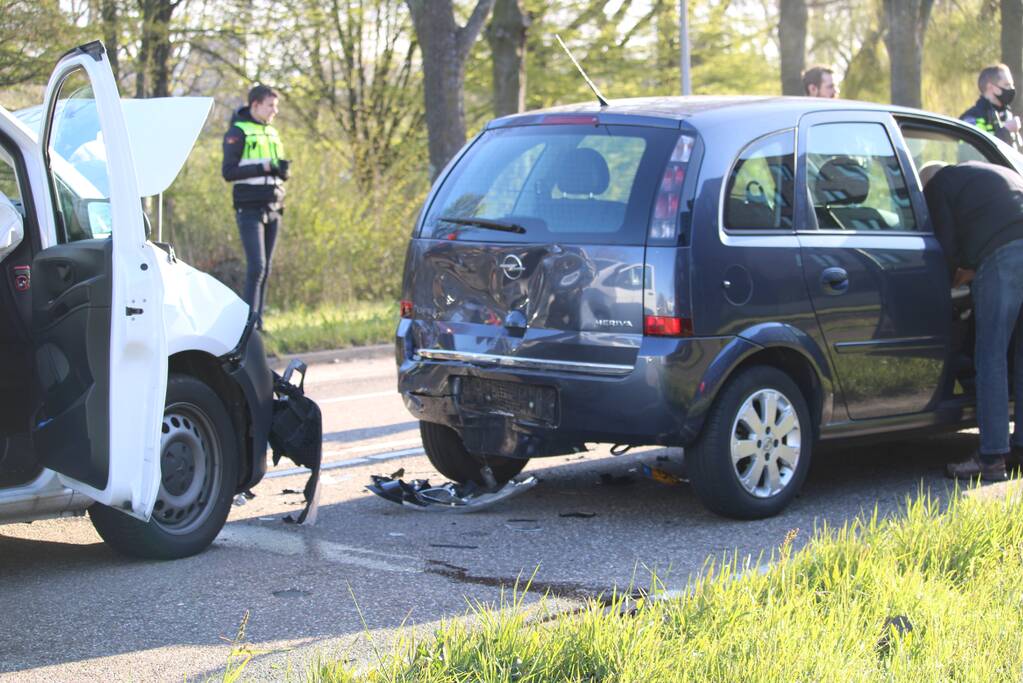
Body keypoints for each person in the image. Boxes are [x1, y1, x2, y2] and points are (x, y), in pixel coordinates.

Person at [919, 160, 1023, 481]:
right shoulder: (980, 173)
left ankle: (991, 458)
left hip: (1003, 255)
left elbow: (946, 245)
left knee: (990, 355)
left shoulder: (937, 185)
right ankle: (1020, 450)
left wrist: (958, 274)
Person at [222, 85, 290, 329]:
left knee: (266, 268)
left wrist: (282, 171)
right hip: (249, 207)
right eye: (270, 106)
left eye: (276, 106)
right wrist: (263, 168)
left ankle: (258, 324)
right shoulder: (237, 132)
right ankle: (248, 325)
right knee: (257, 267)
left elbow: (273, 166)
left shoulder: (272, 132)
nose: (275, 111)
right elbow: (228, 172)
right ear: (255, 105)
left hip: (273, 205)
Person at [960, 64, 1022, 152]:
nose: (1012, 89)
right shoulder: (972, 117)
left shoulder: (1007, 114)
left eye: (1012, 85)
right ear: (990, 87)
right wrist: (1006, 131)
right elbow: (973, 152)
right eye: (1007, 85)